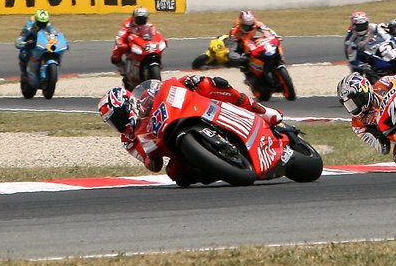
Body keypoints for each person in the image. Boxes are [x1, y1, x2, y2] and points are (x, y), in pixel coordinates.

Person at [99, 74, 283, 186]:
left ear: (127, 104)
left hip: (181, 113)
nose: (119, 124)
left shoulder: (143, 99)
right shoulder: (128, 139)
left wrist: (187, 81)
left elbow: (161, 88)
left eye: (118, 117)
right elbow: (148, 161)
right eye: (113, 122)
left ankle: (263, 111)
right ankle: (219, 167)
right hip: (169, 143)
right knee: (177, 175)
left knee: (209, 84)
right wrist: (150, 159)